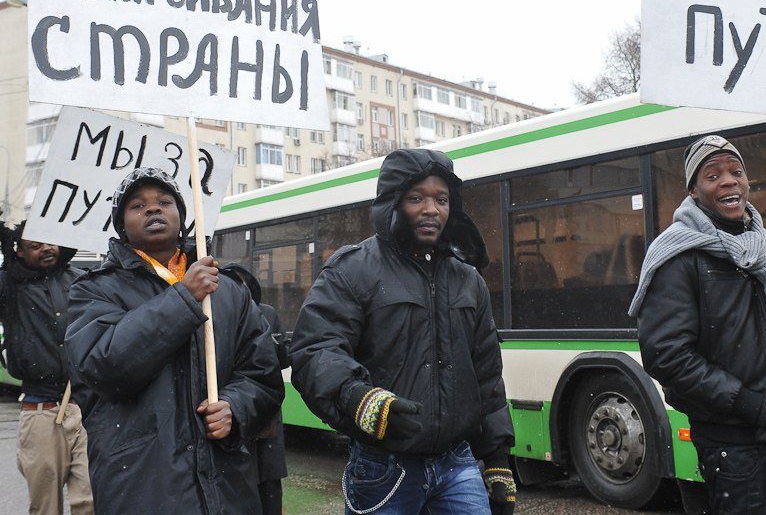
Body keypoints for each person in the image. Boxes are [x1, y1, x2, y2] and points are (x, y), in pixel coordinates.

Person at [628, 135, 766, 514]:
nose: (729, 180)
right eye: (713, 175)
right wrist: (754, 406)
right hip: (734, 452)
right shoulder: (678, 257)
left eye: (736, 171)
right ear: (695, 192)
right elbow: (666, 356)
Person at [291, 148, 516, 515]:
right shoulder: (353, 270)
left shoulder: (468, 279)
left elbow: (487, 374)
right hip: (382, 467)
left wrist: (497, 459)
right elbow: (315, 351)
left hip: (458, 465)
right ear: (393, 203)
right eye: (416, 198)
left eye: (441, 199)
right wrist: (359, 398)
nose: (431, 209)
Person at [64, 167, 284, 514]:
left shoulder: (226, 290)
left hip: (226, 487)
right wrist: (184, 298)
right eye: (137, 206)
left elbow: (263, 375)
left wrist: (236, 408)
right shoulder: (94, 289)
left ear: (182, 216)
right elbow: (103, 368)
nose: (153, 209)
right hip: (143, 486)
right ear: (121, 227)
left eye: (164, 201)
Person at [0, 223, 94, 515]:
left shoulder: (83, 280)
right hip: (39, 412)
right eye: (35, 244)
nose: (45, 248)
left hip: (87, 411)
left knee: (91, 501)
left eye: (49, 240)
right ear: (19, 251)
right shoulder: (9, 286)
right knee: (45, 507)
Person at [221, 262, 290, 515]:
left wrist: (274, 349)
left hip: (265, 415)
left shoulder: (267, 313)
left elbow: (281, 361)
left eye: (242, 283)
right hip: (235, 408)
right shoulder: (218, 315)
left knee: (269, 480)